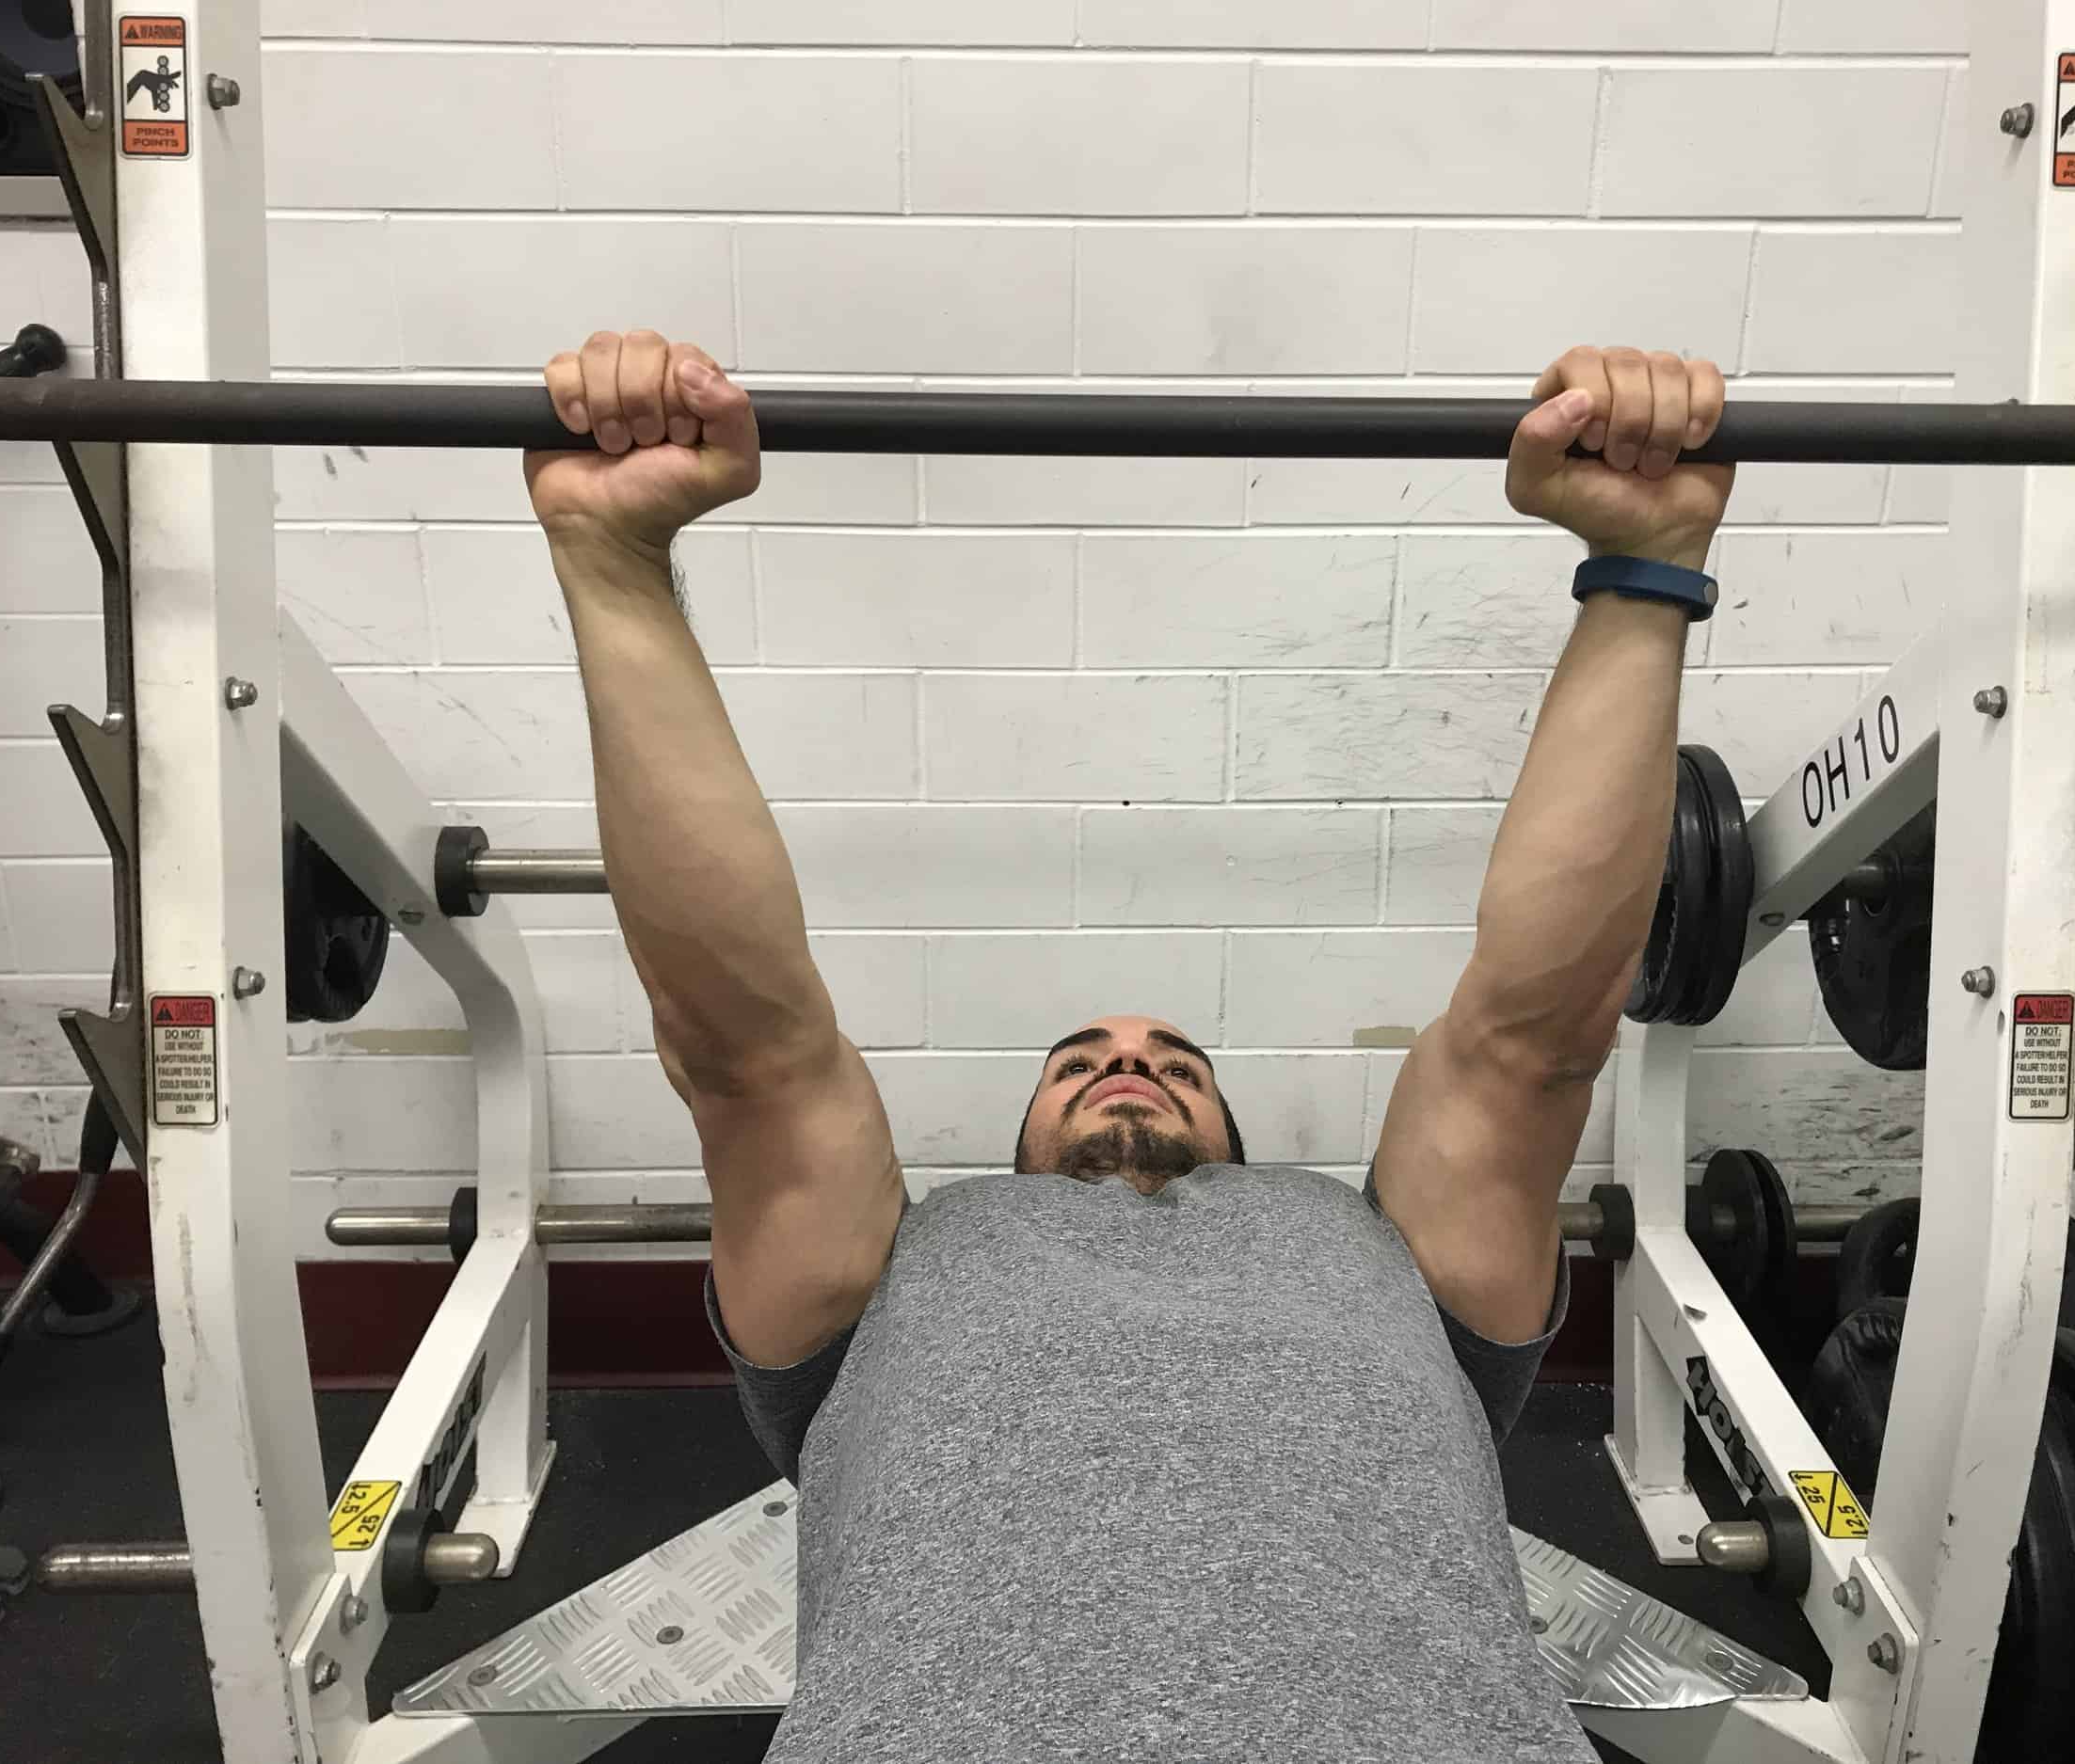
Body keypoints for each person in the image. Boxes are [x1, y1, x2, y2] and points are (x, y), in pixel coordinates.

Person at [525, 331, 1732, 1762]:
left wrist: (1643, 569)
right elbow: (747, 1049)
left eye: (1177, 1057)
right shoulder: (903, 1259)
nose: (1131, 1061)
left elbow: (1535, 1038)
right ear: (1019, 1141)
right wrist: (611, 560)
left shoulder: (1374, 1248)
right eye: (1080, 1055)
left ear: (1238, 1136)